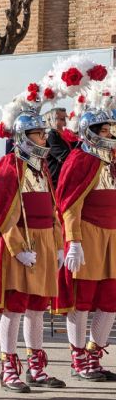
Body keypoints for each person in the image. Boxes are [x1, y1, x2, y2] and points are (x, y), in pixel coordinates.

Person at [0, 105, 66, 394]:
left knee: (37, 309)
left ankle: (36, 367)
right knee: (15, 309)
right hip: (19, 243)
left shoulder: (41, 167)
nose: (44, 139)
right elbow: (1, 213)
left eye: (43, 134)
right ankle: (8, 369)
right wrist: (17, 248)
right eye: (39, 134)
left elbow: (53, 209)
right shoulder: (9, 164)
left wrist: (57, 245)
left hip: (43, 243)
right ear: (24, 137)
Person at [55, 108, 116, 382]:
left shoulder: (113, 159)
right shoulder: (79, 159)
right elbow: (69, 205)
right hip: (88, 235)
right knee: (82, 301)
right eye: (103, 130)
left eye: (109, 130)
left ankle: (94, 353)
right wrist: (74, 242)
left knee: (110, 300)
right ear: (90, 131)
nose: (109, 134)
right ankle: (77, 357)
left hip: (113, 237)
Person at [43, 108, 77, 189]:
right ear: (50, 120)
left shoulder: (66, 135)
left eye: (66, 119)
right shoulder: (51, 135)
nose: (65, 123)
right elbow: (64, 156)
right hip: (56, 183)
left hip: (66, 180)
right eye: (62, 119)